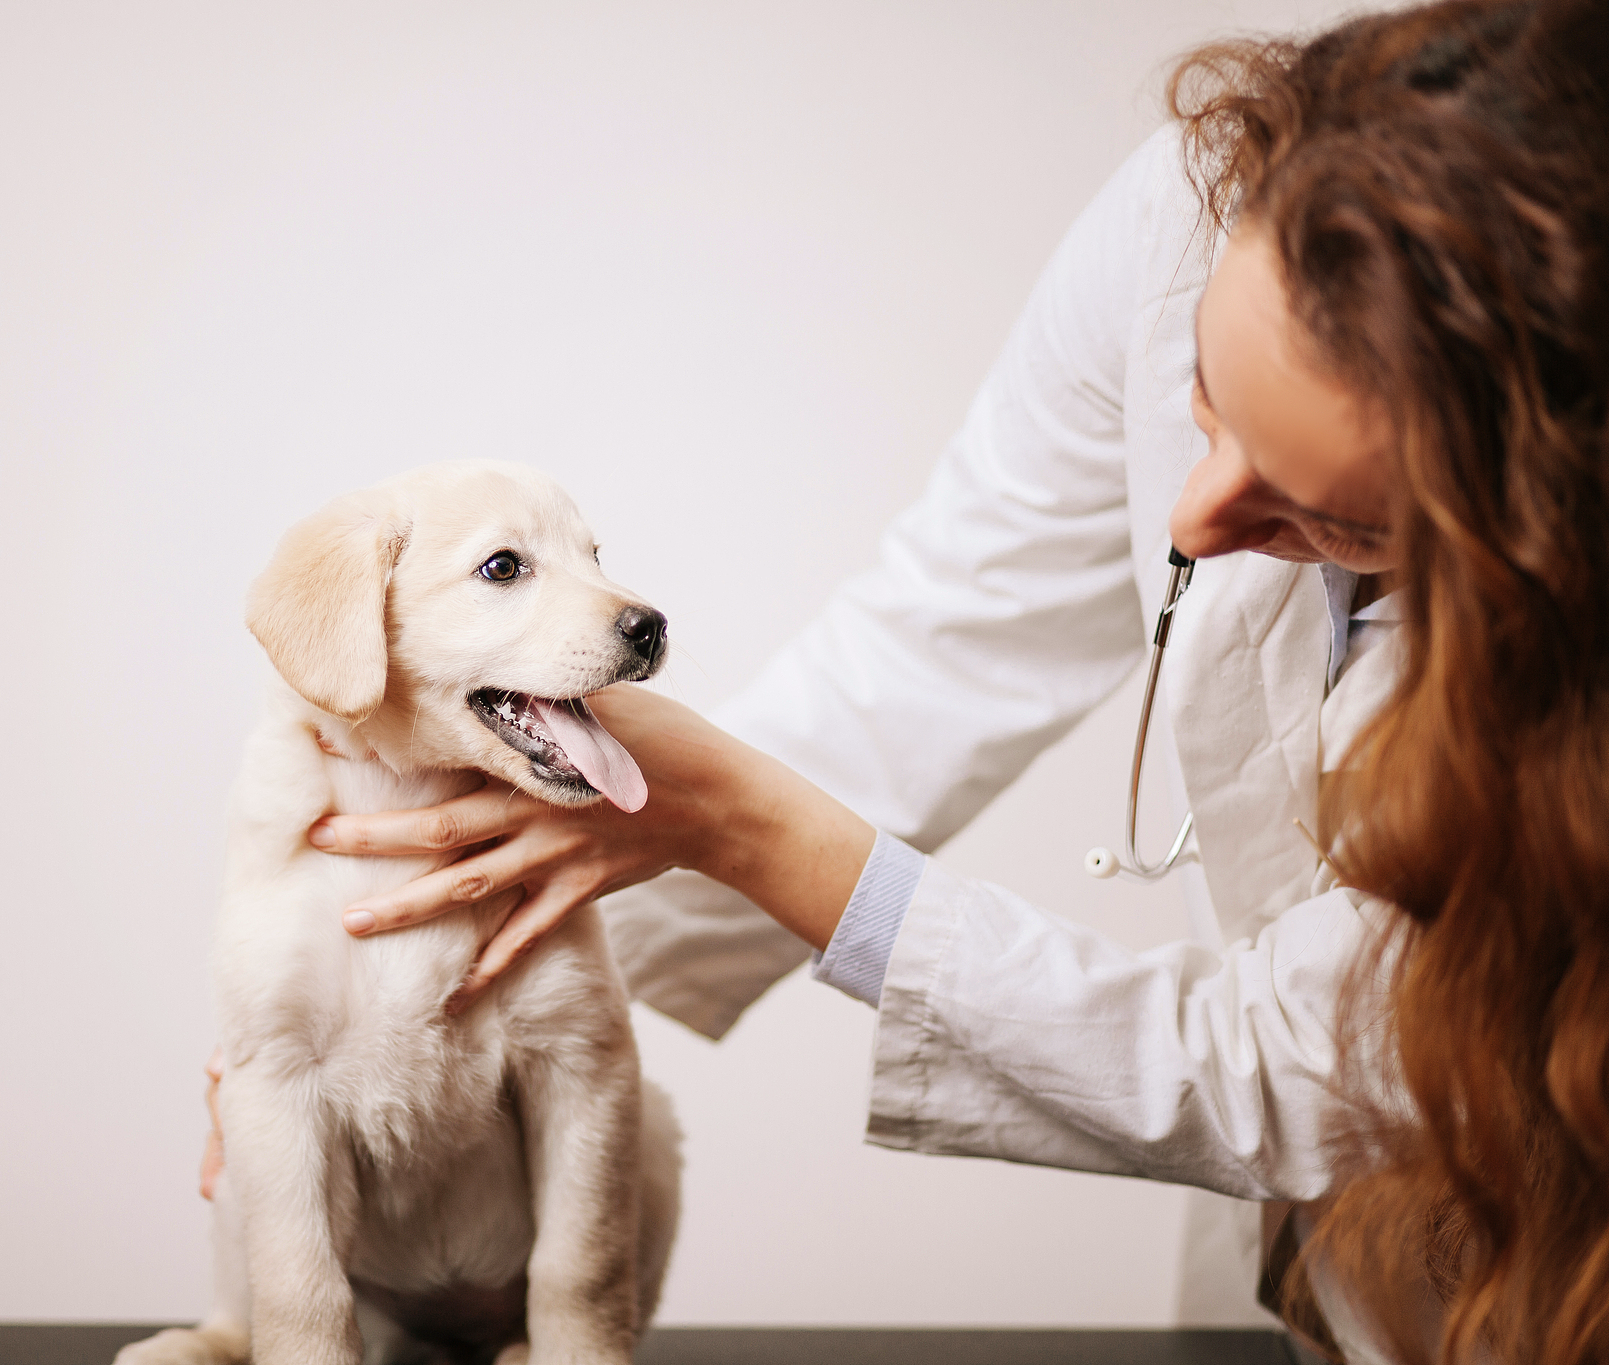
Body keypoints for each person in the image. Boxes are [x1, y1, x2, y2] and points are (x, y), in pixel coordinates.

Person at [208, 2, 1609, 1360]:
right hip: (1337, 1263)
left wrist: (753, 829)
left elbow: (1289, 1063)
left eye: (1339, 519)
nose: (1188, 523)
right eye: (1201, 398)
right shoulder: (1185, 228)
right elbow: (940, 636)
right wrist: (374, 1015)